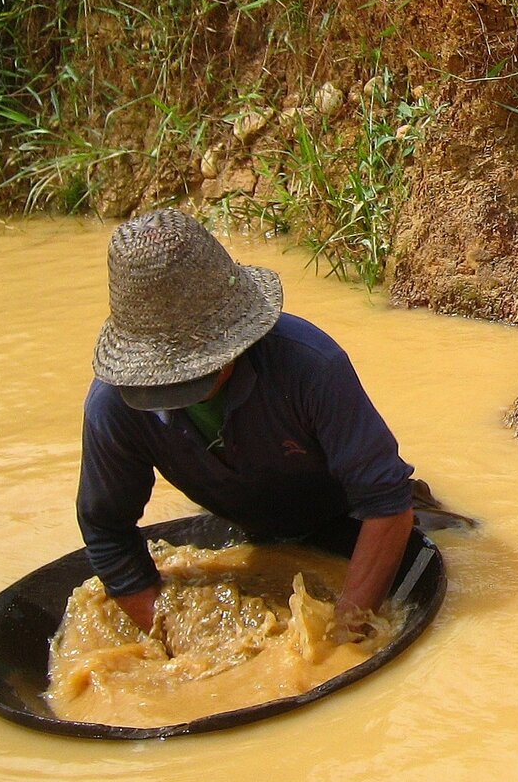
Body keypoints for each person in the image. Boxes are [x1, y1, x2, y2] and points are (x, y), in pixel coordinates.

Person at [79, 207, 415, 638]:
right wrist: (178, 639)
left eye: (199, 369)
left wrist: (343, 635)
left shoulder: (310, 367)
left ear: (237, 338)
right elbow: (107, 531)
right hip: (247, 524)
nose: (183, 387)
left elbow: (387, 503)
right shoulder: (114, 407)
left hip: (345, 518)